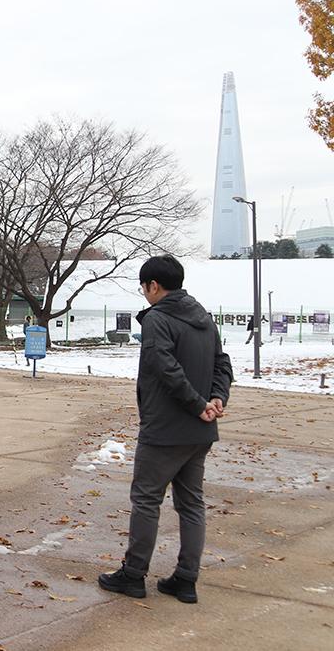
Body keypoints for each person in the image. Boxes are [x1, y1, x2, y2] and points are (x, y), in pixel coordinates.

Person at [99, 255, 232, 604]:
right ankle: (185, 579)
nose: (144, 294)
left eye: (144, 287)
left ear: (153, 286)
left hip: (166, 429)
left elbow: (166, 369)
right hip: (199, 431)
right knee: (191, 504)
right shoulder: (203, 316)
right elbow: (222, 363)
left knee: (146, 500)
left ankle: (133, 574)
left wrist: (199, 403)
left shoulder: (158, 319)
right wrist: (216, 398)